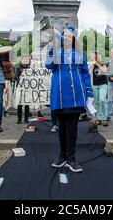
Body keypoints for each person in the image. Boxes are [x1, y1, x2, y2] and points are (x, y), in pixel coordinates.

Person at [46, 26, 93, 173]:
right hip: (59, 95)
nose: (66, 38)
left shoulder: (79, 54)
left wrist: (89, 91)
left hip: (75, 95)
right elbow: (49, 65)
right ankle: (62, 156)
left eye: (69, 36)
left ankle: (71, 158)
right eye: (64, 35)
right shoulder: (55, 52)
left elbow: (85, 73)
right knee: (61, 127)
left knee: (72, 128)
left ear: (73, 39)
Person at [89, 51, 109, 126]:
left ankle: (104, 118)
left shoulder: (103, 63)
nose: (92, 57)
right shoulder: (91, 65)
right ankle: (99, 118)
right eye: (91, 56)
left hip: (103, 84)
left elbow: (105, 71)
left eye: (93, 56)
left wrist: (97, 64)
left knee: (102, 100)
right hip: (95, 85)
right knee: (97, 102)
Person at [14, 56, 31, 124]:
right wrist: (22, 80)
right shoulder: (17, 67)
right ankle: (19, 119)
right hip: (20, 87)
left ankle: (26, 119)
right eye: (24, 59)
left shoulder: (30, 68)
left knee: (27, 104)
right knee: (20, 103)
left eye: (26, 59)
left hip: (28, 87)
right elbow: (15, 77)